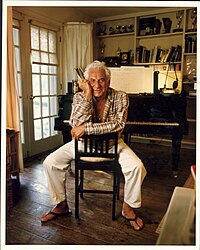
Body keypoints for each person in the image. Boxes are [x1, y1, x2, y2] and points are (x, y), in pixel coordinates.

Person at [41, 60, 147, 231]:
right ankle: (61, 206)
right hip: (82, 144)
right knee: (50, 162)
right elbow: (75, 123)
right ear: (86, 82)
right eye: (92, 80)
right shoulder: (79, 97)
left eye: (101, 80)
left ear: (108, 81)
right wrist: (88, 96)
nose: (97, 85)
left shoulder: (121, 96)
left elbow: (118, 125)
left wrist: (87, 128)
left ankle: (128, 209)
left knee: (137, 167)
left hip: (113, 145)